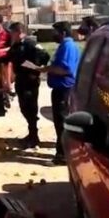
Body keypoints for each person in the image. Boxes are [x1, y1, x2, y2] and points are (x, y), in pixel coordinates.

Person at [0, 22, 50, 148]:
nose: (11, 35)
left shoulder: (30, 44)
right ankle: (31, 134)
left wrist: (34, 67)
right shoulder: (16, 46)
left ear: (19, 32)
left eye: (13, 32)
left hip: (30, 80)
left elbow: (45, 56)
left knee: (31, 108)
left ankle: (34, 137)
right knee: (24, 108)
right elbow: (8, 57)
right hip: (21, 80)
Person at [35, 21, 81, 165]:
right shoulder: (65, 46)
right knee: (60, 122)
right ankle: (63, 153)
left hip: (64, 90)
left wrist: (46, 70)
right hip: (61, 89)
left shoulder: (68, 46)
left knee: (62, 123)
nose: (52, 34)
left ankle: (62, 156)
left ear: (63, 33)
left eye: (55, 32)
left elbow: (66, 69)